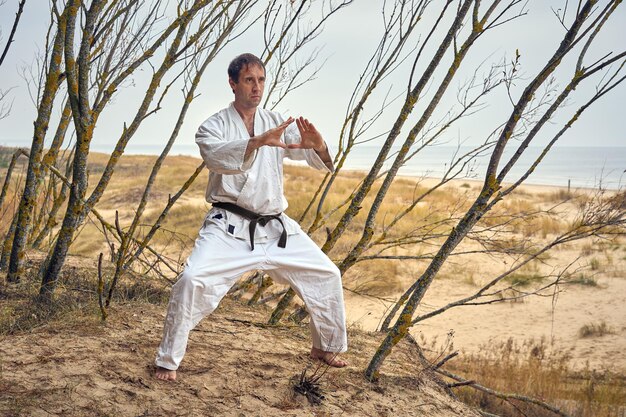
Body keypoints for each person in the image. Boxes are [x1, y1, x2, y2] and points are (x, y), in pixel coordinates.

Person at [154, 53, 348, 381]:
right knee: (191, 281)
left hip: (275, 227)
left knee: (327, 274)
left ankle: (324, 346)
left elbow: (313, 156)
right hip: (228, 228)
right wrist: (258, 141)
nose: (256, 87)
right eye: (248, 80)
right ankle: (167, 361)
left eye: (260, 80)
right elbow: (217, 159)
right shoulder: (212, 126)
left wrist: (320, 146)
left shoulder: (276, 120)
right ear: (232, 84)